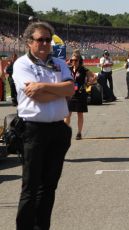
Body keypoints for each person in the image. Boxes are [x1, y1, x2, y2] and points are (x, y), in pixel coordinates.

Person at [12, 21, 74, 230]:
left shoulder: (59, 63)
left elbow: (70, 89)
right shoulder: (22, 64)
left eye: (48, 40)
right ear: (30, 42)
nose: (46, 44)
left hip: (57, 130)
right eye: (41, 40)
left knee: (49, 186)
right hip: (33, 130)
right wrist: (58, 90)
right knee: (31, 186)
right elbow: (35, 95)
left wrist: (44, 87)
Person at [64, 50, 97, 140]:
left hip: (80, 94)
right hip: (70, 94)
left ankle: (79, 133)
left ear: (79, 61)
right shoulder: (68, 69)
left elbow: (94, 76)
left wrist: (89, 83)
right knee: (67, 114)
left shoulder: (83, 69)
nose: (73, 62)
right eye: (72, 60)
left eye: (75, 60)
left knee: (80, 114)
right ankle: (65, 133)